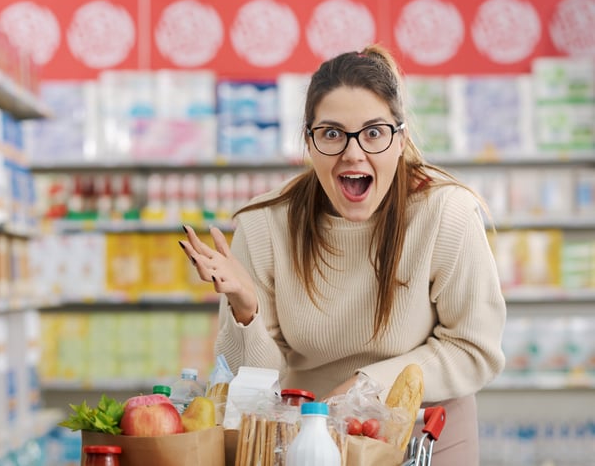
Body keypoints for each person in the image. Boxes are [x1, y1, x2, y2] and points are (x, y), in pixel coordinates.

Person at [178, 44, 506, 464]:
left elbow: (474, 347)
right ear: (309, 143)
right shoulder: (264, 225)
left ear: (400, 140)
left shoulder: (446, 214)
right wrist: (246, 311)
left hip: (426, 430)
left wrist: (363, 386)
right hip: (308, 436)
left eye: (373, 132)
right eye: (332, 134)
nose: (354, 152)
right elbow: (255, 386)